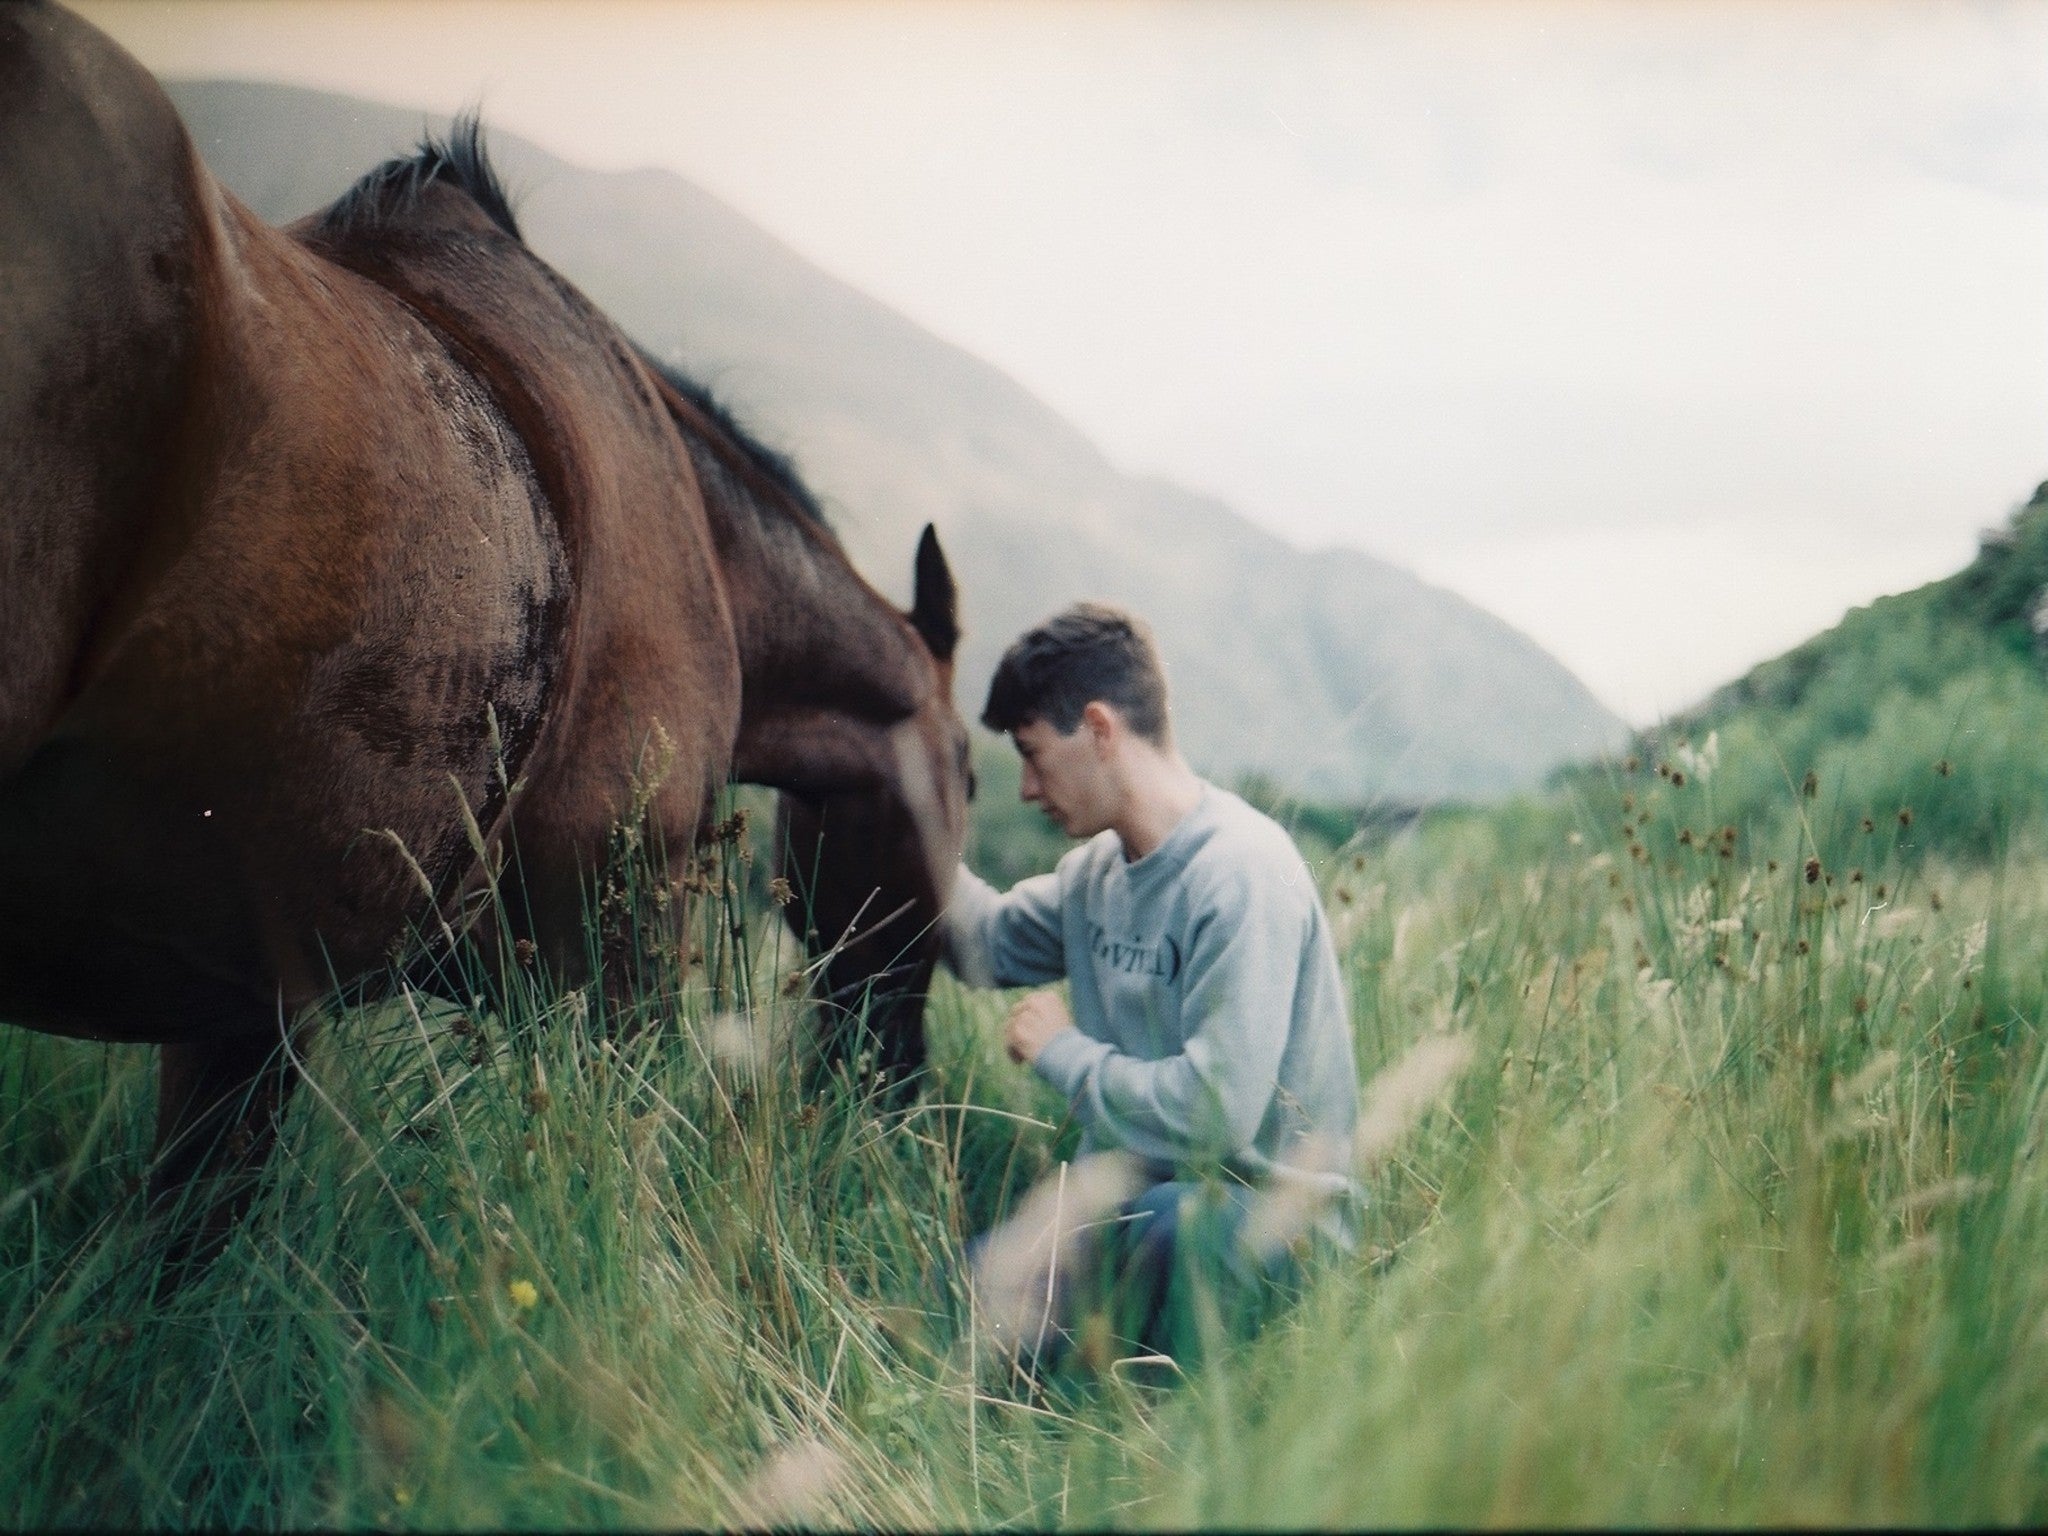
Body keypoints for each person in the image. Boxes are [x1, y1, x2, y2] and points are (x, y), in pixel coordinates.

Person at [945, 602, 1361, 1373]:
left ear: (1099, 729)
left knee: (1173, 1231)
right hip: (1136, 1209)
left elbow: (1215, 1117)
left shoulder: (1241, 873)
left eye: (1035, 755)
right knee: (971, 1286)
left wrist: (1063, 1053)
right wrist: (907, 825)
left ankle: (1161, 1429)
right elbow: (985, 944)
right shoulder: (1093, 877)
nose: (1029, 788)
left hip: (1270, 1226)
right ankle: (1068, 1401)